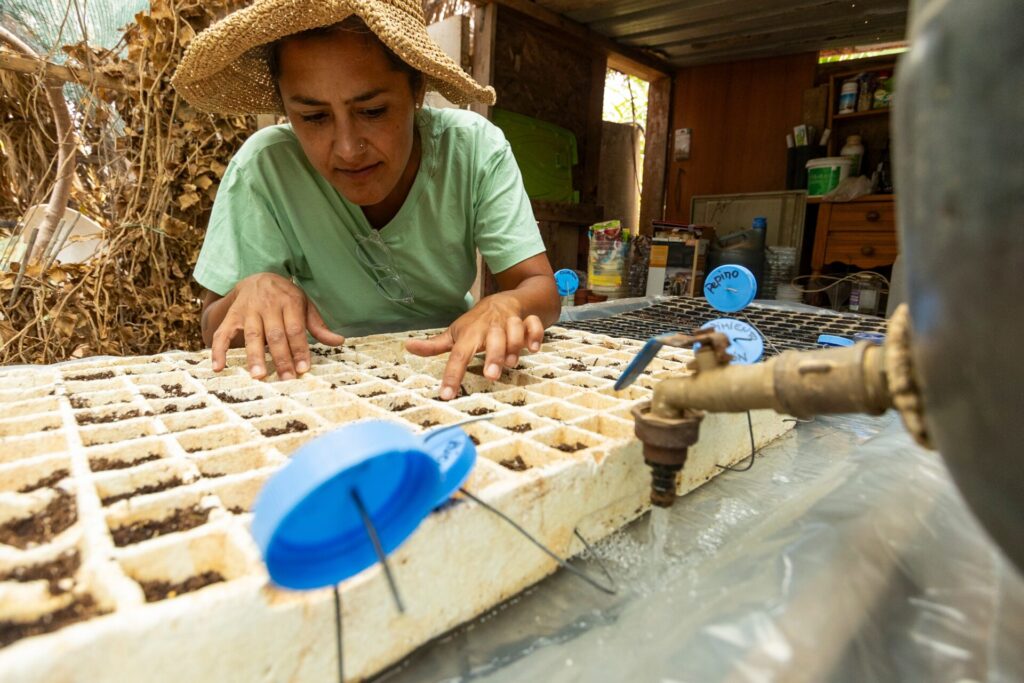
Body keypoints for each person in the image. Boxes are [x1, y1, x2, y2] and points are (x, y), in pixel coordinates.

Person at [171, 0, 559, 400]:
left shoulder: (474, 149)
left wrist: (505, 305)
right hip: (320, 377)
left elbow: (538, 285)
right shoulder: (265, 168)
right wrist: (249, 292)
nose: (347, 149)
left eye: (372, 111)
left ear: (417, 89)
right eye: (314, 117)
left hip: (448, 369)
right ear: (286, 109)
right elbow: (214, 327)